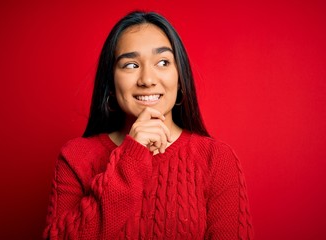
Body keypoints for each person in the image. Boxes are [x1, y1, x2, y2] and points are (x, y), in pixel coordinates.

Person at [43, 11, 253, 240]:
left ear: (180, 78)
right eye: (131, 65)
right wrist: (131, 156)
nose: (147, 79)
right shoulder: (75, 157)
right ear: (111, 84)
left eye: (163, 62)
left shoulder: (217, 159)